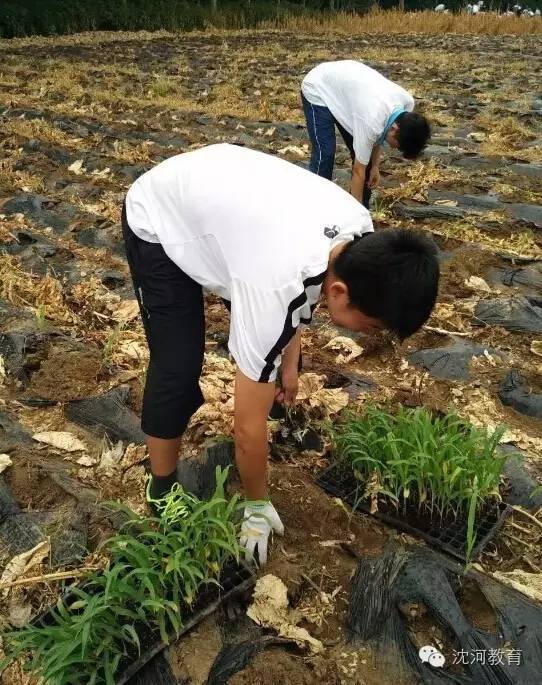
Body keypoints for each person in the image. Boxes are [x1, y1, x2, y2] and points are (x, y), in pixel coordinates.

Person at [122, 143, 440, 565]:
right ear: (341, 292)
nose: (370, 336)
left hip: (230, 207)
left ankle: (275, 401)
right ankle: (160, 488)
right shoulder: (275, 284)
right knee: (177, 366)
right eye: (374, 326)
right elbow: (245, 429)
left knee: (277, 348)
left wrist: (289, 364)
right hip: (162, 217)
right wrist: (256, 505)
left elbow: (301, 295)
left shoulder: (358, 230)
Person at [301, 60, 430, 209]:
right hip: (319, 86)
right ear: (394, 129)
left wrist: (375, 166)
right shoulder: (370, 120)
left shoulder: (407, 103)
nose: (394, 149)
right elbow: (358, 171)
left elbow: (379, 133)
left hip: (349, 93)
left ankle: (362, 209)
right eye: (398, 146)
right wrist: (357, 219)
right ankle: (316, 207)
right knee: (325, 154)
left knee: (366, 162)